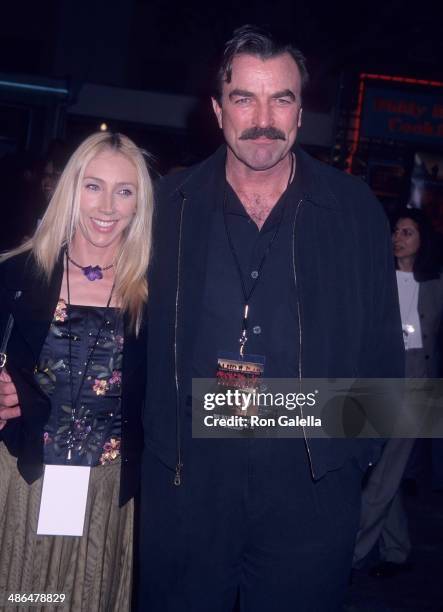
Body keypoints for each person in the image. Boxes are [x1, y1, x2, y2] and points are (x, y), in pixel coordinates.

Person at [139, 25, 404, 611]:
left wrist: (344, 463)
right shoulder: (166, 205)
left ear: (301, 110)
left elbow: (388, 359)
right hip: (186, 489)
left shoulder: (355, 209)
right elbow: (99, 302)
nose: (264, 117)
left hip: (311, 491)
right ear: (217, 110)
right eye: (244, 98)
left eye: (281, 98)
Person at [0, 131, 152, 611]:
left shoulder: (157, 293)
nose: (107, 206)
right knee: (22, 597)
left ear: (139, 204)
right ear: (70, 190)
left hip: (107, 493)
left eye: (124, 191)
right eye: (93, 186)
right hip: (24, 479)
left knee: (84, 599)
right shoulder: (18, 275)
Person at [353, 207, 443, 577]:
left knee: (385, 474)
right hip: (381, 374)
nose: (398, 238)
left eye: (408, 232)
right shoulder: (378, 277)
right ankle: (397, 548)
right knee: (381, 468)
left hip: (418, 380)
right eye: (396, 230)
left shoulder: (436, 283)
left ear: (423, 241)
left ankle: (351, 551)